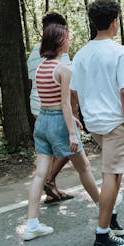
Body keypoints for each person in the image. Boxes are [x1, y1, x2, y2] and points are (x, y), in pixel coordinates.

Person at [22, 24, 101, 241]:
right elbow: (65, 105)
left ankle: (32, 224)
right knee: (84, 167)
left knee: (40, 174)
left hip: (43, 122)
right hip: (59, 123)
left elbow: (49, 100)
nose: (69, 41)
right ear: (59, 42)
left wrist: (70, 118)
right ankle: (105, 209)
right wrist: (72, 132)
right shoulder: (64, 69)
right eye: (67, 38)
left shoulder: (40, 68)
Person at [71, 0, 124, 246]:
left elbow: (74, 91)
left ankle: (110, 219)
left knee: (116, 173)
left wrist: (77, 116)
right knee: (111, 175)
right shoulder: (120, 52)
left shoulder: (80, 54)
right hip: (115, 122)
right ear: (114, 22)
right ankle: (102, 235)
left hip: (95, 124)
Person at [27, 12, 73, 204]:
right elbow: (70, 87)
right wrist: (74, 113)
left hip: (38, 107)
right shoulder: (60, 55)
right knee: (68, 149)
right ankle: (49, 180)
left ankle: (50, 189)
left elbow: (31, 83)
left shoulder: (33, 54)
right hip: (56, 107)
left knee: (50, 151)